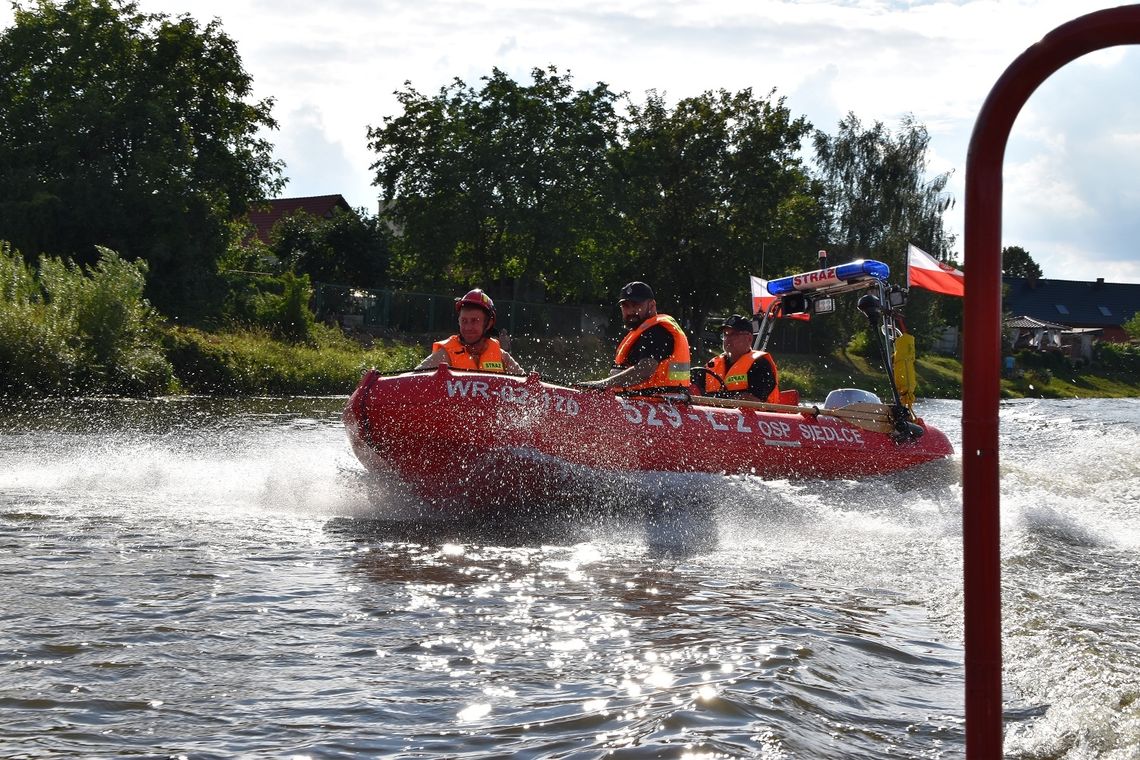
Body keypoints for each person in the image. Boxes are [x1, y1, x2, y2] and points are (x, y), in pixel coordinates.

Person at [577, 281, 690, 392]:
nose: (631, 311)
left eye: (636, 305)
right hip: (644, 402)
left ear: (652, 305)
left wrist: (604, 384)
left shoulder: (657, 331)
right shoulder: (642, 331)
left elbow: (645, 370)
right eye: (625, 306)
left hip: (660, 403)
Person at [416, 288, 524, 374]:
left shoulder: (502, 357)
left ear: (488, 324)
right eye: (464, 321)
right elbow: (413, 379)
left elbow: (529, 387)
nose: (468, 327)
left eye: (474, 321)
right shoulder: (445, 355)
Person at [694, 314, 779, 403]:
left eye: (734, 334)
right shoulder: (712, 365)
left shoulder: (760, 364)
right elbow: (694, 391)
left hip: (758, 416)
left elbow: (754, 401)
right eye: (725, 334)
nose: (728, 339)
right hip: (715, 414)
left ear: (749, 338)